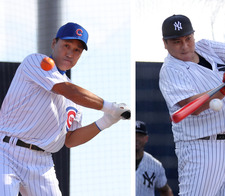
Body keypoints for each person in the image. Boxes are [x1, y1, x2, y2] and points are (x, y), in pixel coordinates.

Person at [0, 22, 129, 195]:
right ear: (54, 43)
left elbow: (70, 140)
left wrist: (107, 120)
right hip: (7, 151)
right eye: (66, 45)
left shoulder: (76, 100)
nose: (70, 53)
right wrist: (110, 107)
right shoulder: (36, 62)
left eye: (77, 50)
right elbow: (67, 90)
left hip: (42, 163)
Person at [158, 14, 225, 196]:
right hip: (202, 148)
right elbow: (193, 106)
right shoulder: (170, 70)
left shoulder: (205, 46)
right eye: (177, 42)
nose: (185, 46)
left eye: (188, 39)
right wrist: (223, 90)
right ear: (165, 43)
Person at [135, 121, 173, 196]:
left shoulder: (155, 165)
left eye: (140, 135)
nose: (136, 138)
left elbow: (165, 190)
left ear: (146, 138)